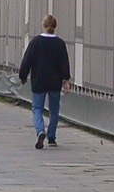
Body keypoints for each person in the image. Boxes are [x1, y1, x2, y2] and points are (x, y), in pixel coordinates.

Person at [17, 14, 72, 149]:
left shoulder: (35, 42)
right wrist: (66, 79)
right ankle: (51, 136)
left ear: (43, 25)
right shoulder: (60, 43)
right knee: (54, 109)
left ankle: (40, 130)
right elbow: (64, 63)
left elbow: (27, 61)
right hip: (55, 82)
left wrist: (23, 76)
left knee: (37, 108)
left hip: (39, 80)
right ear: (55, 26)